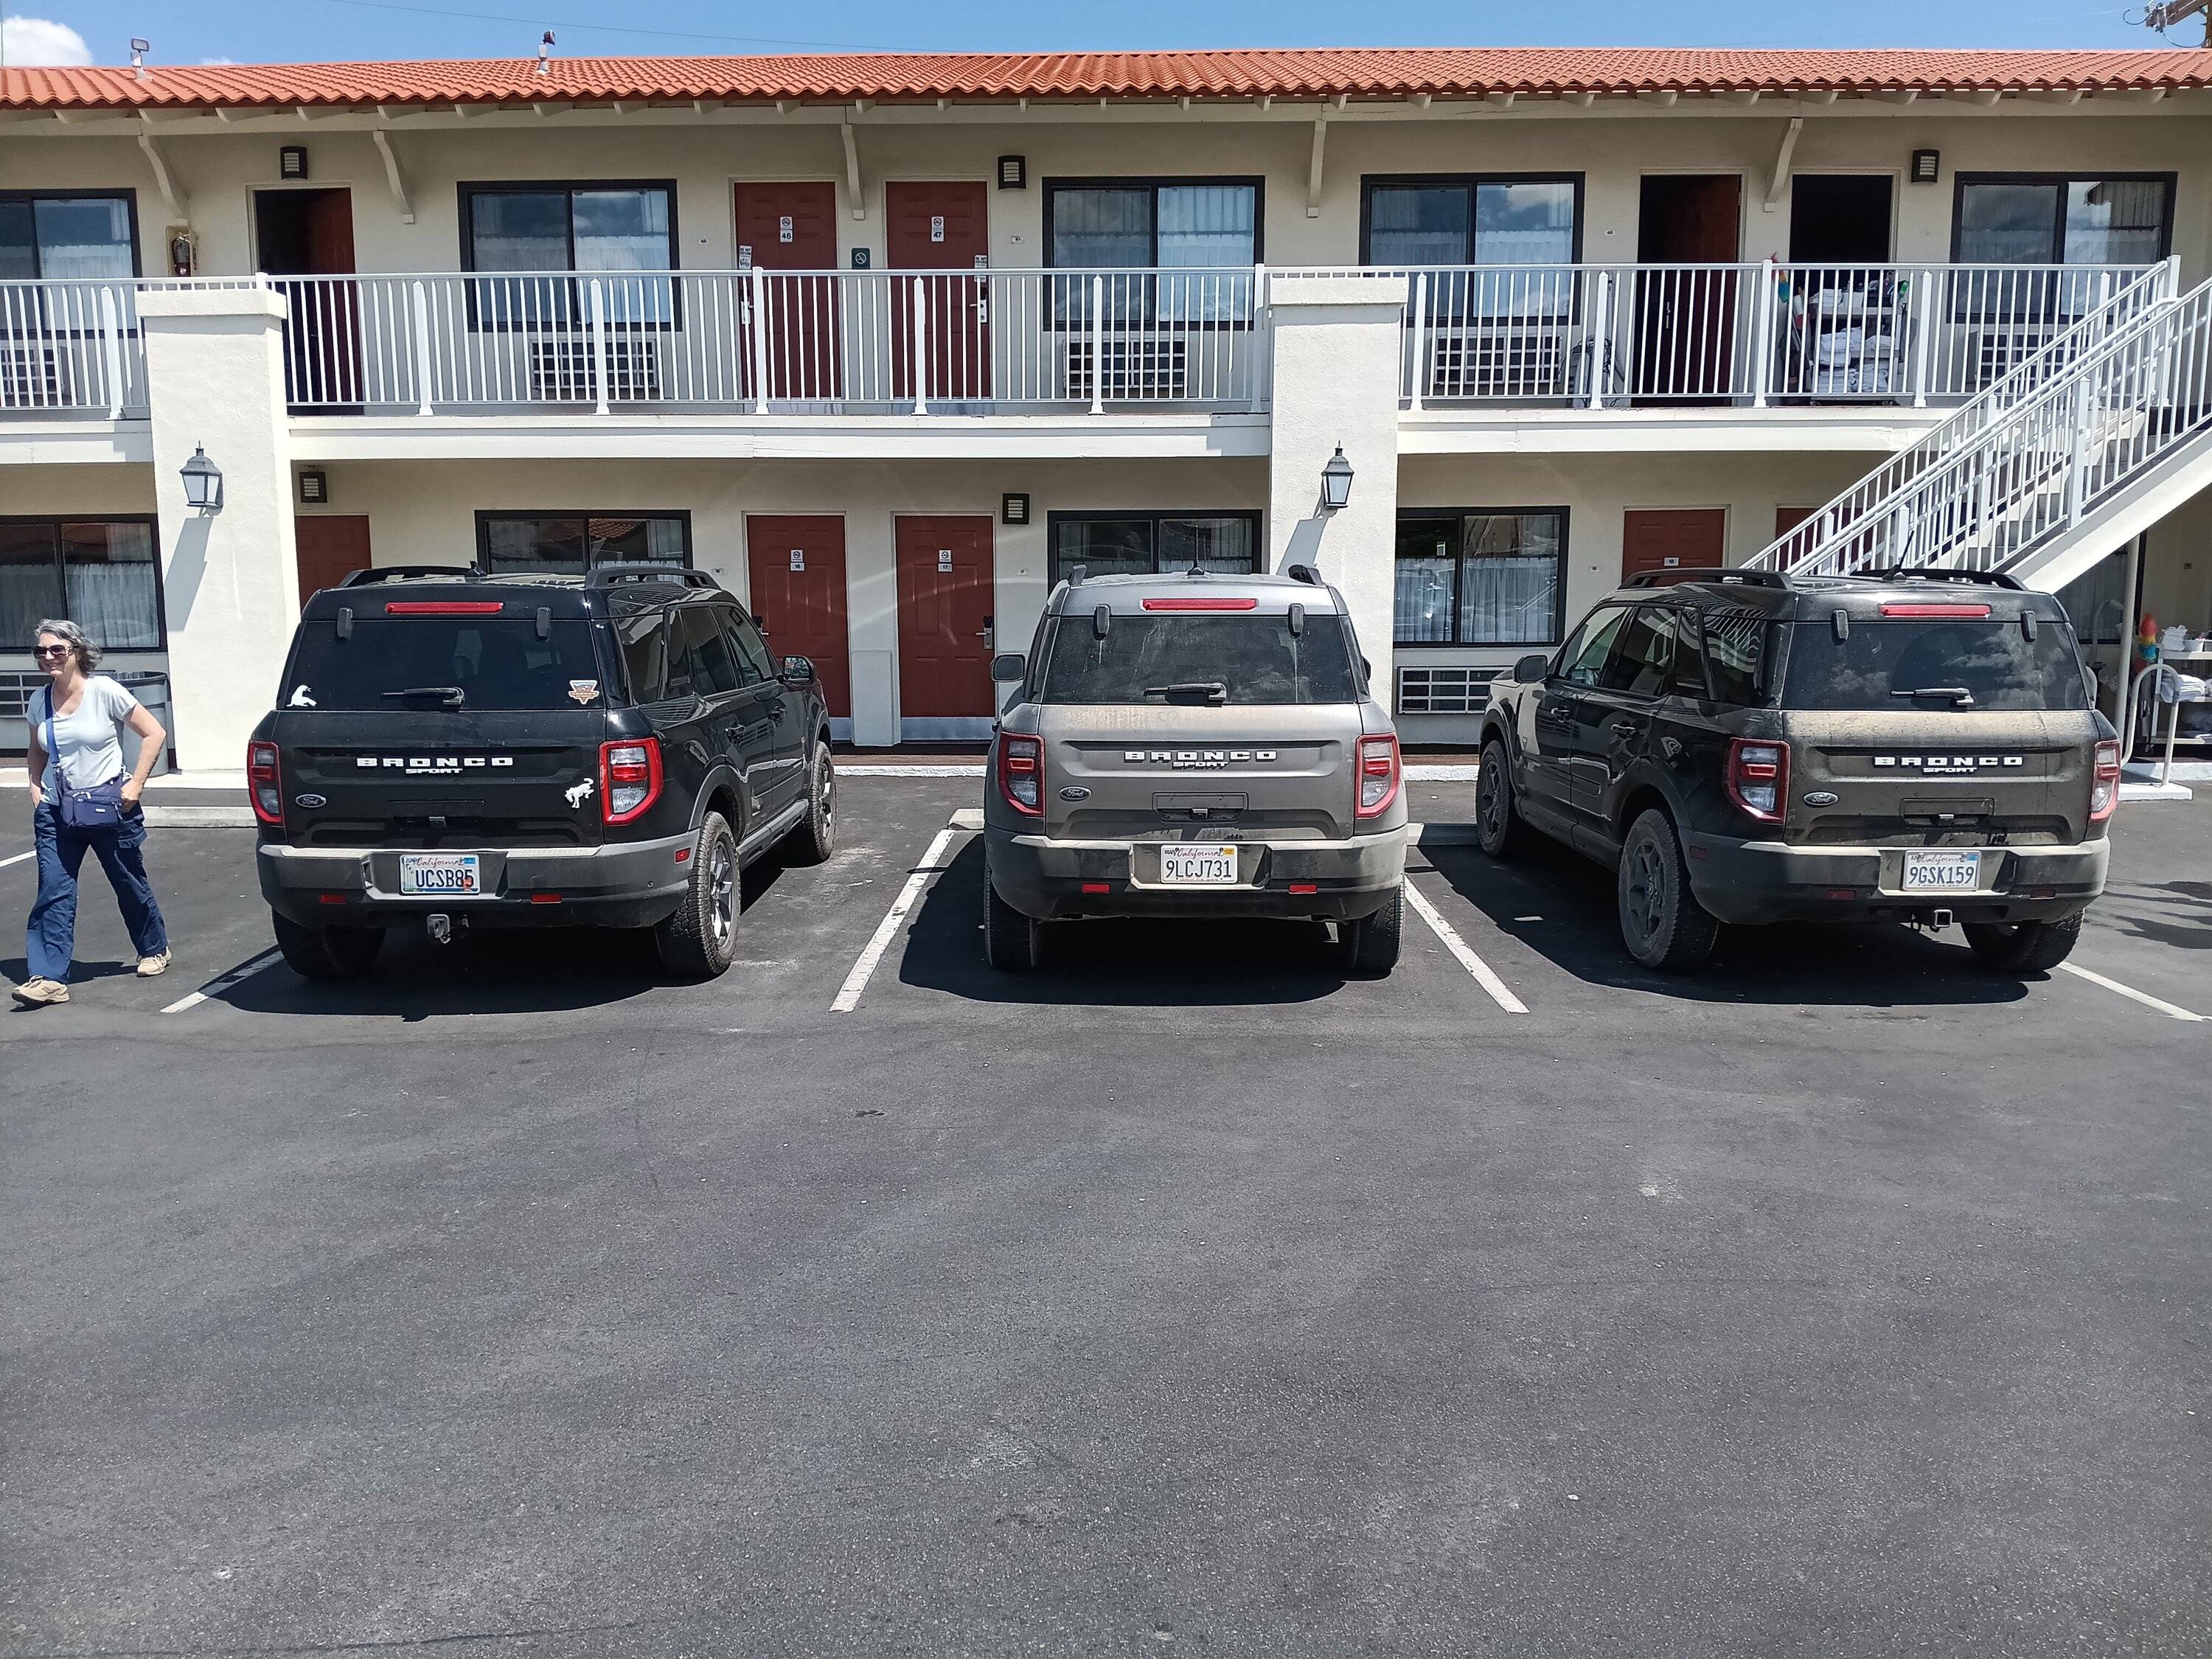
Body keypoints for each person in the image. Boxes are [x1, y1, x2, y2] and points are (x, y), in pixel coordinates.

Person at [14, 619, 171, 1007]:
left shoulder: (104, 692)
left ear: (77, 653)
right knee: (54, 890)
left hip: (109, 807)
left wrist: (135, 784)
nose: (47, 657)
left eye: (56, 650)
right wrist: (35, 787)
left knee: (128, 882)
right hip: (56, 811)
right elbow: (37, 749)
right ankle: (49, 978)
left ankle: (154, 948)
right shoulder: (40, 701)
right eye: (41, 651)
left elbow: (154, 732)